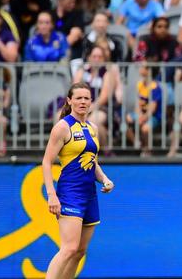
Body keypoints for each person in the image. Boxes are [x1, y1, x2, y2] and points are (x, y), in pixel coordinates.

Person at [42, 81, 114, 279]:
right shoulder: (62, 127)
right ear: (69, 101)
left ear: (91, 102)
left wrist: (105, 180)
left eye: (86, 98)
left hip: (89, 194)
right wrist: (52, 195)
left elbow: (92, 162)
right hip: (70, 192)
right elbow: (47, 162)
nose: (83, 102)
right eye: (78, 98)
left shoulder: (93, 128)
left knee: (80, 251)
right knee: (68, 249)